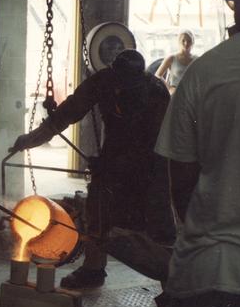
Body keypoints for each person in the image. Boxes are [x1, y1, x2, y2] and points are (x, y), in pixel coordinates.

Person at [154, 0, 240, 307]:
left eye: (235, 1)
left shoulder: (207, 72)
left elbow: (181, 180)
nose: (232, 12)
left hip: (215, 276)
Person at [11, 49, 170, 290]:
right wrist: (32, 138)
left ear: (138, 79)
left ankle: (171, 285)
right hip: (115, 146)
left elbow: (155, 140)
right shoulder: (103, 81)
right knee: (97, 206)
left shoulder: (155, 92)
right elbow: (67, 112)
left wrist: (116, 165)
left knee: (153, 220)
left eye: (125, 85)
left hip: (149, 156)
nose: (119, 88)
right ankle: (93, 269)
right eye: (117, 81)